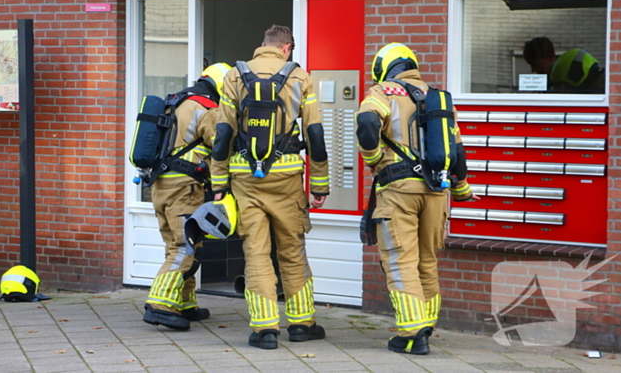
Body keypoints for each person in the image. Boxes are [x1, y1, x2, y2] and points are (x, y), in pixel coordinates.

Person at [211, 25, 330, 350]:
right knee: (292, 251)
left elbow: (222, 134)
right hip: (288, 177)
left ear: (261, 46)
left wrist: (219, 182)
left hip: (245, 178)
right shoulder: (301, 77)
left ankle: (264, 329)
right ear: (286, 48)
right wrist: (320, 184)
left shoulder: (234, 77)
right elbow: (316, 135)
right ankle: (302, 324)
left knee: (256, 254)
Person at [356, 43, 479, 355]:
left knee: (400, 261)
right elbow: (458, 151)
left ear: (384, 67)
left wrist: (372, 159)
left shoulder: (383, 92)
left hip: (398, 190)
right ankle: (426, 324)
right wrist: (462, 189)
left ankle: (411, 334)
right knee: (427, 259)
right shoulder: (438, 98)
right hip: (438, 192)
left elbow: (367, 125)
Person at [143, 62, 231, 331]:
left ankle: (184, 303)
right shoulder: (207, 108)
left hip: (160, 186)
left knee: (180, 244)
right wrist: (223, 186)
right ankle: (159, 304)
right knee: (185, 247)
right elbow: (220, 147)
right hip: (185, 188)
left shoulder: (175, 102)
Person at [522, 37, 605, 93]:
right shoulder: (545, 85)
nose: (533, 70)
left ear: (550, 57)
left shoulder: (569, 76)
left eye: (536, 65)